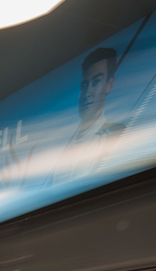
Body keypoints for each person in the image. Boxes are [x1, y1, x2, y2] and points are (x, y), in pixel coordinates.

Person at [52, 46, 126, 184]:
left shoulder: (116, 135)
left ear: (109, 85)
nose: (87, 94)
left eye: (96, 82)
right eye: (84, 85)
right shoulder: (63, 152)